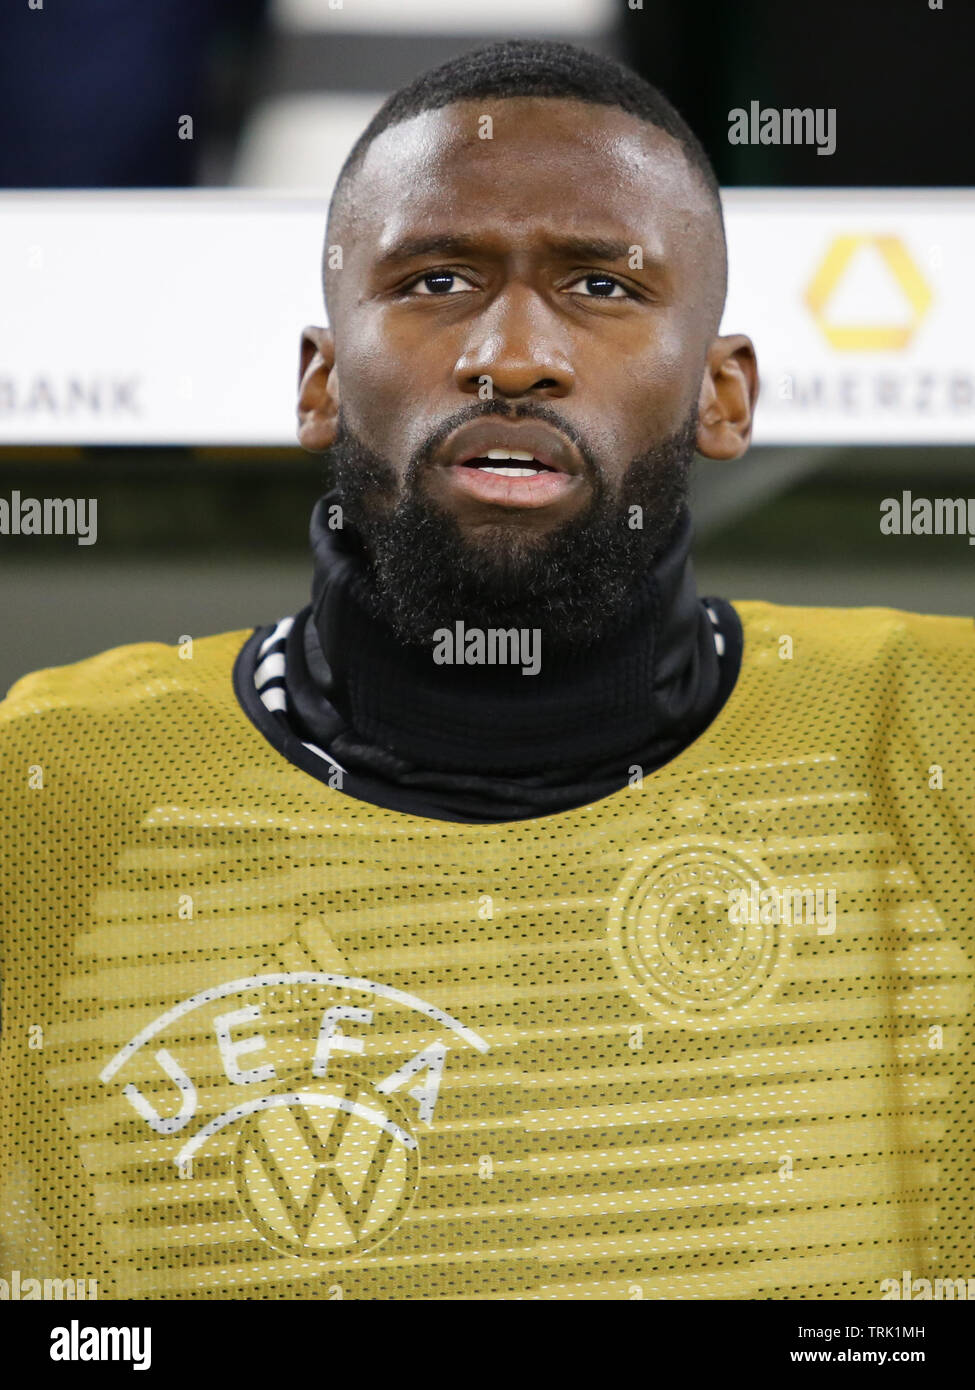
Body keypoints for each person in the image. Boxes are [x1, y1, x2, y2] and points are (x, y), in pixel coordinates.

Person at [1, 40, 972, 1302]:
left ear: (724, 397)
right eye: (440, 279)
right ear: (318, 380)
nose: (512, 356)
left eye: (604, 287)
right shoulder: (45, 795)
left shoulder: (943, 736)